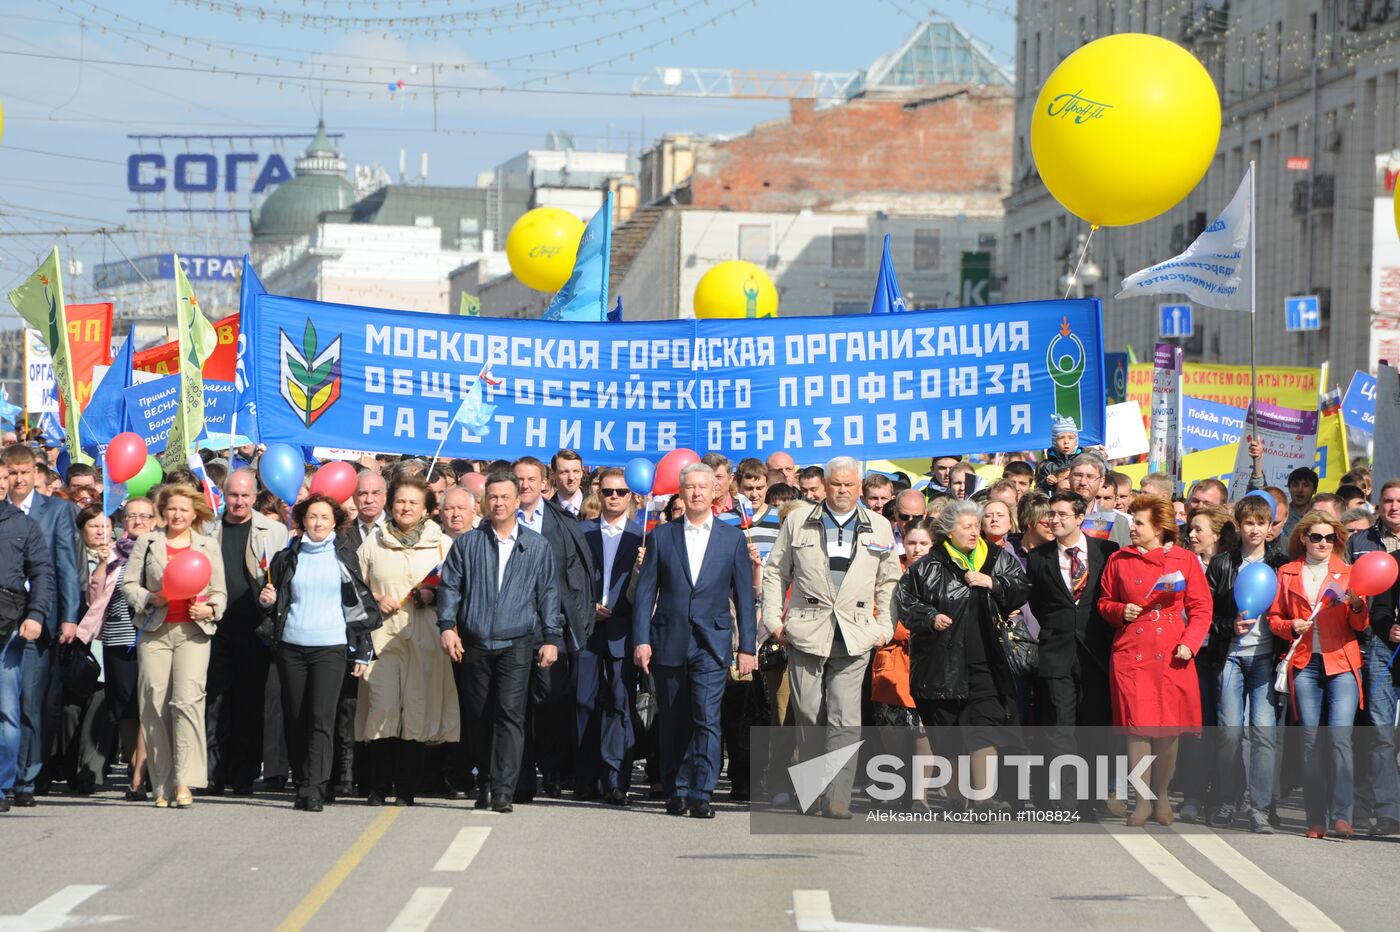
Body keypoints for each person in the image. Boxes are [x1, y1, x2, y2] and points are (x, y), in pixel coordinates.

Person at [762, 457, 899, 818]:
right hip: (807, 630)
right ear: (824, 484)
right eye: (836, 484)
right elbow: (776, 571)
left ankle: (837, 796)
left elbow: (889, 581)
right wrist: (773, 619)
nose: (842, 491)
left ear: (859, 486)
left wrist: (884, 626)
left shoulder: (880, 527)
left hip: (855, 633)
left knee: (844, 716)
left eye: (849, 485)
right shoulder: (798, 520)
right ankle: (813, 787)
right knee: (808, 714)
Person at [633, 463, 757, 819]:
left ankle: (701, 791)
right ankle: (676, 789)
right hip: (668, 639)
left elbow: (745, 599)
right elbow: (645, 593)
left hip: (712, 643)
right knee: (673, 720)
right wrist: (641, 640)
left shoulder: (731, 538)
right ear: (682, 492)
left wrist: (746, 647)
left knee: (707, 717)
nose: (697, 493)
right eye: (690, 487)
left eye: (704, 487)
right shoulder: (662, 535)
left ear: (714, 491)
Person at [438, 472, 562, 813]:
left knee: (510, 715)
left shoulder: (536, 546)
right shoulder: (468, 544)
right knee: (478, 716)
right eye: (493, 497)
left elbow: (548, 594)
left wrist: (552, 638)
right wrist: (447, 626)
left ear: (517, 499)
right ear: (484, 501)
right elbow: (450, 588)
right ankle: (487, 782)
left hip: (518, 642)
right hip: (475, 642)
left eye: (506, 497)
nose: (499, 503)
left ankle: (504, 789)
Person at [894, 500, 1029, 810]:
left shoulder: (995, 558)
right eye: (966, 526)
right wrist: (929, 617)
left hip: (987, 659)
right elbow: (906, 604)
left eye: (975, 526)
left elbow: (1020, 589)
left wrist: (993, 583)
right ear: (948, 532)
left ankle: (982, 799)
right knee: (948, 732)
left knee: (985, 727)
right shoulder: (928, 566)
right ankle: (955, 797)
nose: (973, 531)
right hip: (941, 663)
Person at [259, 494, 381, 811]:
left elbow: (356, 607)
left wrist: (362, 650)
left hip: (331, 647)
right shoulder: (286, 558)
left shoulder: (344, 556)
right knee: (296, 717)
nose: (318, 523)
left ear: (334, 523)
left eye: (324, 517)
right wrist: (267, 601)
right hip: (291, 647)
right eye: (312, 517)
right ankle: (301, 781)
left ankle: (316, 786)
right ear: (302, 521)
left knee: (321, 718)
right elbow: (273, 604)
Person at [1097, 495, 1212, 826]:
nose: (1132, 528)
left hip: (1172, 652)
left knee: (1167, 731)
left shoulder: (1184, 560)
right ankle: (1142, 800)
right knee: (1137, 730)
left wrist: (1190, 643)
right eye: (1133, 521)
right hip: (1132, 651)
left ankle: (1161, 794)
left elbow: (1202, 607)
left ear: (1159, 528)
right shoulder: (1119, 559)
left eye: (1139, 523)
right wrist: (1121, 611)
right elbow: (1104, 602)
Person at [123, 484, 228, 808]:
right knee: (154, 703)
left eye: (184, 509)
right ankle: (161, 783)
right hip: (155, 632)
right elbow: (129, 585)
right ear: (162, 512)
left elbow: (220, 593)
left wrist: (210, 609)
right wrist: (148, 598)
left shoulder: (208, 545)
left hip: (192, 634)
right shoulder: (148, 542)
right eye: (171, 509)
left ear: (195, 512)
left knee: (187, 702)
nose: (177, 514)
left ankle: (185, 781)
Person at [356, 475, 459, 806]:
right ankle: (377, 786)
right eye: (400, 501)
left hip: (425, 635)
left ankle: (406, 789)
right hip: (383, 637)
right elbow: (354, 586)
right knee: (381, 707)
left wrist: (433, 594)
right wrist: (374, 596)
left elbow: (459, 589)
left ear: (427, 509)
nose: (406, 507)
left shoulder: (443, 544)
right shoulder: (374, 542)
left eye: (414, 502)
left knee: (416, 710)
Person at [1268, 512, 1368, 839]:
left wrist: (1356, 607)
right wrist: (1289, 626)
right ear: (1304, 539)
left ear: (1336, 539)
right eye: (1316, 537)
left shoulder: (1348, 573)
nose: (1323, 543)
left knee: (1339, 738)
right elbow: (1274, 619)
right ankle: (1315, 818)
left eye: (1328, 537)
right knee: (1310, 740)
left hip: (1341, 662)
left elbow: (1360, 626)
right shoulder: (1287, 572)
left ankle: (1342, 815)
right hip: (1304, 663)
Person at [1027, 491, 1118, 813]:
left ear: (1080, 517)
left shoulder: (1107, 552)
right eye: (1052, 514)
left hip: (1096, 652)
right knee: (1059, 730)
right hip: (1057, 654)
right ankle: (1062, 800)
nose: (1055, 519)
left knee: (1094, 727)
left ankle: (1091, 801)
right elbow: (1038, 605)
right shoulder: (1039, 558)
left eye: (1062, 514)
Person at [1204, 495, 1290, 833]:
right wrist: (1229, 626)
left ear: (1270, 528)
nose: (1254, 529)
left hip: (1266, 660)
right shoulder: (1222, 564)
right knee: (1230, 733)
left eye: (1261, 523)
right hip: (1230, 658)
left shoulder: (1281, 566)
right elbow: (1206, 615)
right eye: (1249, 523)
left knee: (1264, 735)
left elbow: (1288, 611)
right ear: (1239, 526)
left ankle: (1260, 808)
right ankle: (1229, 798)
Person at [512, 455, 594, 801]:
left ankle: (553, 769)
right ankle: (519, 773)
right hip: (511, 628)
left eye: (532, 479)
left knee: (550, 700)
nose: (525, 486)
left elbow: (576, 576)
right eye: (519, 480)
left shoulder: (561, 523)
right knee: (514, 704)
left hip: (552, 630)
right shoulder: (499, 522)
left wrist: (576, 624)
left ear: (544, 483)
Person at [1, 443, 79, 808]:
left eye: (24, 472)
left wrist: (67, 617)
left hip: (39, 619)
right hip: (5, 618)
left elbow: (63, 566)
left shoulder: (57, 511)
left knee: (31, 702)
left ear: (36, 473)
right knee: (6, 705)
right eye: (11, 473)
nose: (18, 479)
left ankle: (26, 779)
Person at [205, 469, 289, 796]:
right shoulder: (207, 529)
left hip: (255, 630)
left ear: (255, 498)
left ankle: (243, 775)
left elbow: (282, 580)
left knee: (249, 705)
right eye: (233, 495)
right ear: (224, 496)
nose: (239, 502)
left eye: (245, 496)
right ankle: (214, 773)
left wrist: (273, 597)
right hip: (214, 629)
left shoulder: (275, 531)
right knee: (215, 704)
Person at [76, 497, 154, 802]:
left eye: (144, 516)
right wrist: (103, 565)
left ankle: (139, 776)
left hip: (151, 636)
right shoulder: (114, 552)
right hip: (117, 637)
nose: (137, 521)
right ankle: (136, 763)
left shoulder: (158, 550)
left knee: (148, 704)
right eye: (131, 515)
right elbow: (92, 597)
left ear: (154, 519)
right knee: (124, 708)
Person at [577, 467, 642, 805]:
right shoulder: (582, 532)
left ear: (631, 496)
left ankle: (617, 780)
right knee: (584, 703)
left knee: (619, 704)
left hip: (623, 629)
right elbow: (569, 579)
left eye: (621, 492)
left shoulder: (642, 536)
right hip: (588, 629)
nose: (614, 497)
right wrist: (589, 605)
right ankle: (587, 779)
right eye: (608, 492)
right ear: (598, 494)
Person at [0, 471, 55, 814]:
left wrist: (36, 615)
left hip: (7, 628)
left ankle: (4, 784)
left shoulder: (24, 525)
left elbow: (43, 573)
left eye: (2, 479)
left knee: (7, 711)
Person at [1348, 478, 1400, 836]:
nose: (1394, 507)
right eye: (1388, 501)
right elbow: (1379, 607)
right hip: (1382, 652)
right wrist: (1389, 629)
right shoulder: (1384, 556)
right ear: (1378, 505)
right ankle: (1387, 813)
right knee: (1381, 735)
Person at [1034, 416, 1081, 493]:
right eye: (1061, 438)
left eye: (1070, 437)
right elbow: (1039, 491)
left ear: (1076, 441)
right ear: (1054, 441)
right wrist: (1048, 482)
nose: (1066, 441)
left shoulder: (1084, 462)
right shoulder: (1046, 466)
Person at [1284, 468, 1319, 537]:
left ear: (1314, 490)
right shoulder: (1281, 515)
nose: (1300, 490)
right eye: (1295, 485)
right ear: (1289, 488)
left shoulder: (1320, 516)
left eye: (1305, 485)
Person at [551, 449, 587, 517]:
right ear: (553, 475)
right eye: (565, 472)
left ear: (582, 473)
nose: (571, 478)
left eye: (576, 471)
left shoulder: (599, 506)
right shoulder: (546, 511)